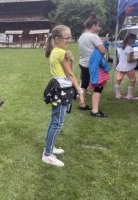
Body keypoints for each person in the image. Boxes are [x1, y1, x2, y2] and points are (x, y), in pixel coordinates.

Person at [42, 25, 84, 167]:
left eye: (70, 37)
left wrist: (71, 60)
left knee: (56, 122)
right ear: (58, 39)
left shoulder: (58, 51)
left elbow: (68, 71)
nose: (69, 40)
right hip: (61, 90)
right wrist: (80, 90)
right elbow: (70, 74)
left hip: (62, 88)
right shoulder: (59, 51)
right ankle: (47, 154)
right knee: (57, 123)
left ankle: (50, 148)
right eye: (67, 38)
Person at [78, 12, 108, 117]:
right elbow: (103, 51)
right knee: (98, 86)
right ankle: (95, 111)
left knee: (84, 84)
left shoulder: (81, 36)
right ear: (93, 26)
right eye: (98, 25)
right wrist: (104, 45)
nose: (98, 27)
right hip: (93, 65)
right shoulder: (94, 36)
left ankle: (82, 104)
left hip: (83, 64)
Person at [115, 33, 138, 100]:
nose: (135, 41)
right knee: (133, 80)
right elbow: (129, 60)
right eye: (134, 39)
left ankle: (118, 95)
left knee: (119, 79)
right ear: (130, 39)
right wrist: (136, 59)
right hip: (128, 66)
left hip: (122, 65)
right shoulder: (130, 48)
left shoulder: (123, 46)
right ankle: (129, 96)